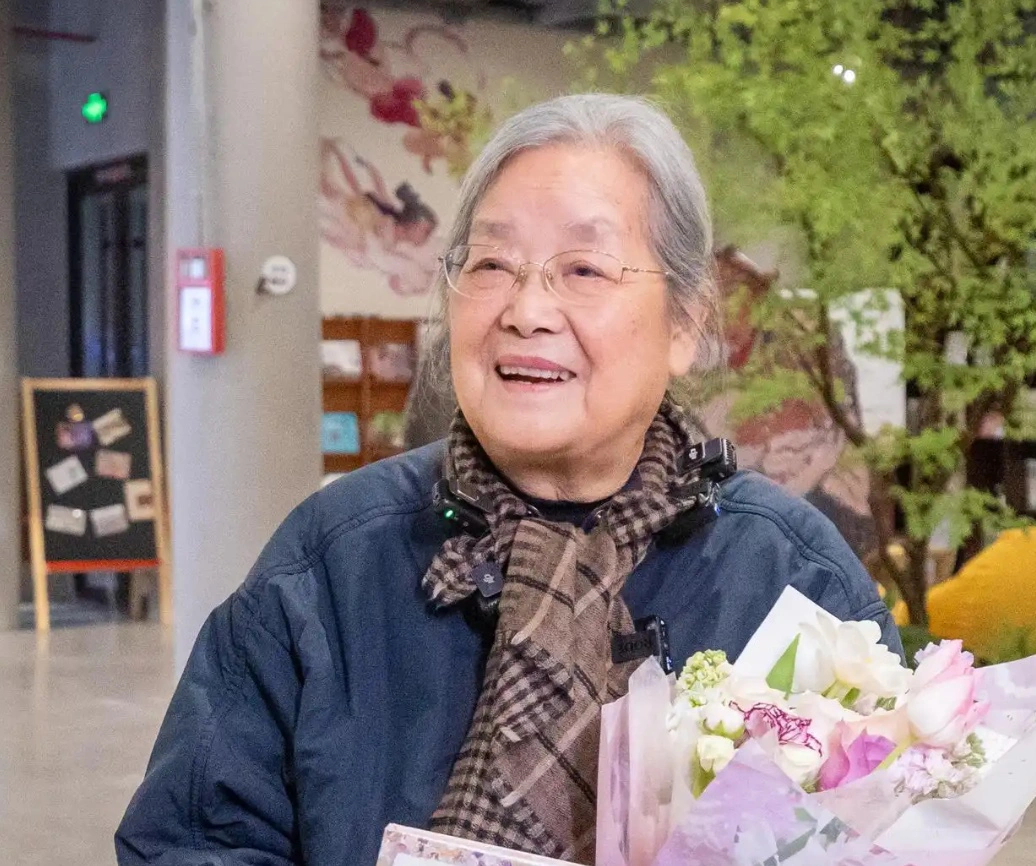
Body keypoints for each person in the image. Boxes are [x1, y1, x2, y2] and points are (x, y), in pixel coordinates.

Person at [116, 94, 901, 866]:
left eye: (584, 269)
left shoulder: (793, 580)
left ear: (686, 323)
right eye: (491, 264)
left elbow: (889, 834)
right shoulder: (329, 563)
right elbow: (194, 842)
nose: (527, 310)